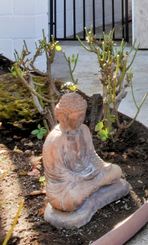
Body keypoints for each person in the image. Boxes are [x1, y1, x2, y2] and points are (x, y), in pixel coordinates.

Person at [43, 92, 129, 227]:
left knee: (116, 171)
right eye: (77, 116)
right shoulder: (55, 140)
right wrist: (84, 178)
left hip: (88, 174)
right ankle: (92, 187)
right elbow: (58, 176)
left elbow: (92, 155)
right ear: (64, 116)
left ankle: (92, 187)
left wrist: (101, 167)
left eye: (82, 115)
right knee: (73, 199)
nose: (81, 119)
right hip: (66, 186)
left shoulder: (84, 130)